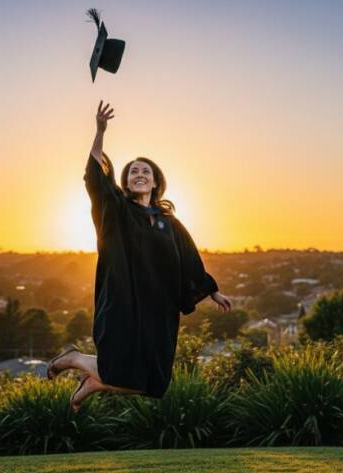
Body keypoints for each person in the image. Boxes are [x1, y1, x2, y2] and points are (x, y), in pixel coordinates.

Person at [47, 101, 233, 412]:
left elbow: (188, 256)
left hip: (158, 307)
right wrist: (100, 132)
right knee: (119, 365)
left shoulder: (169, 222)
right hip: (123, 298)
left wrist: (211, 289)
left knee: (152, 382)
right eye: (133, 171)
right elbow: (95, 179)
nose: (139, 174)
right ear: (127, 181)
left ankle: (92, 381)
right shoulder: (118, 209)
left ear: (156, 181)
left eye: (146, 171)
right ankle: (76, 360)